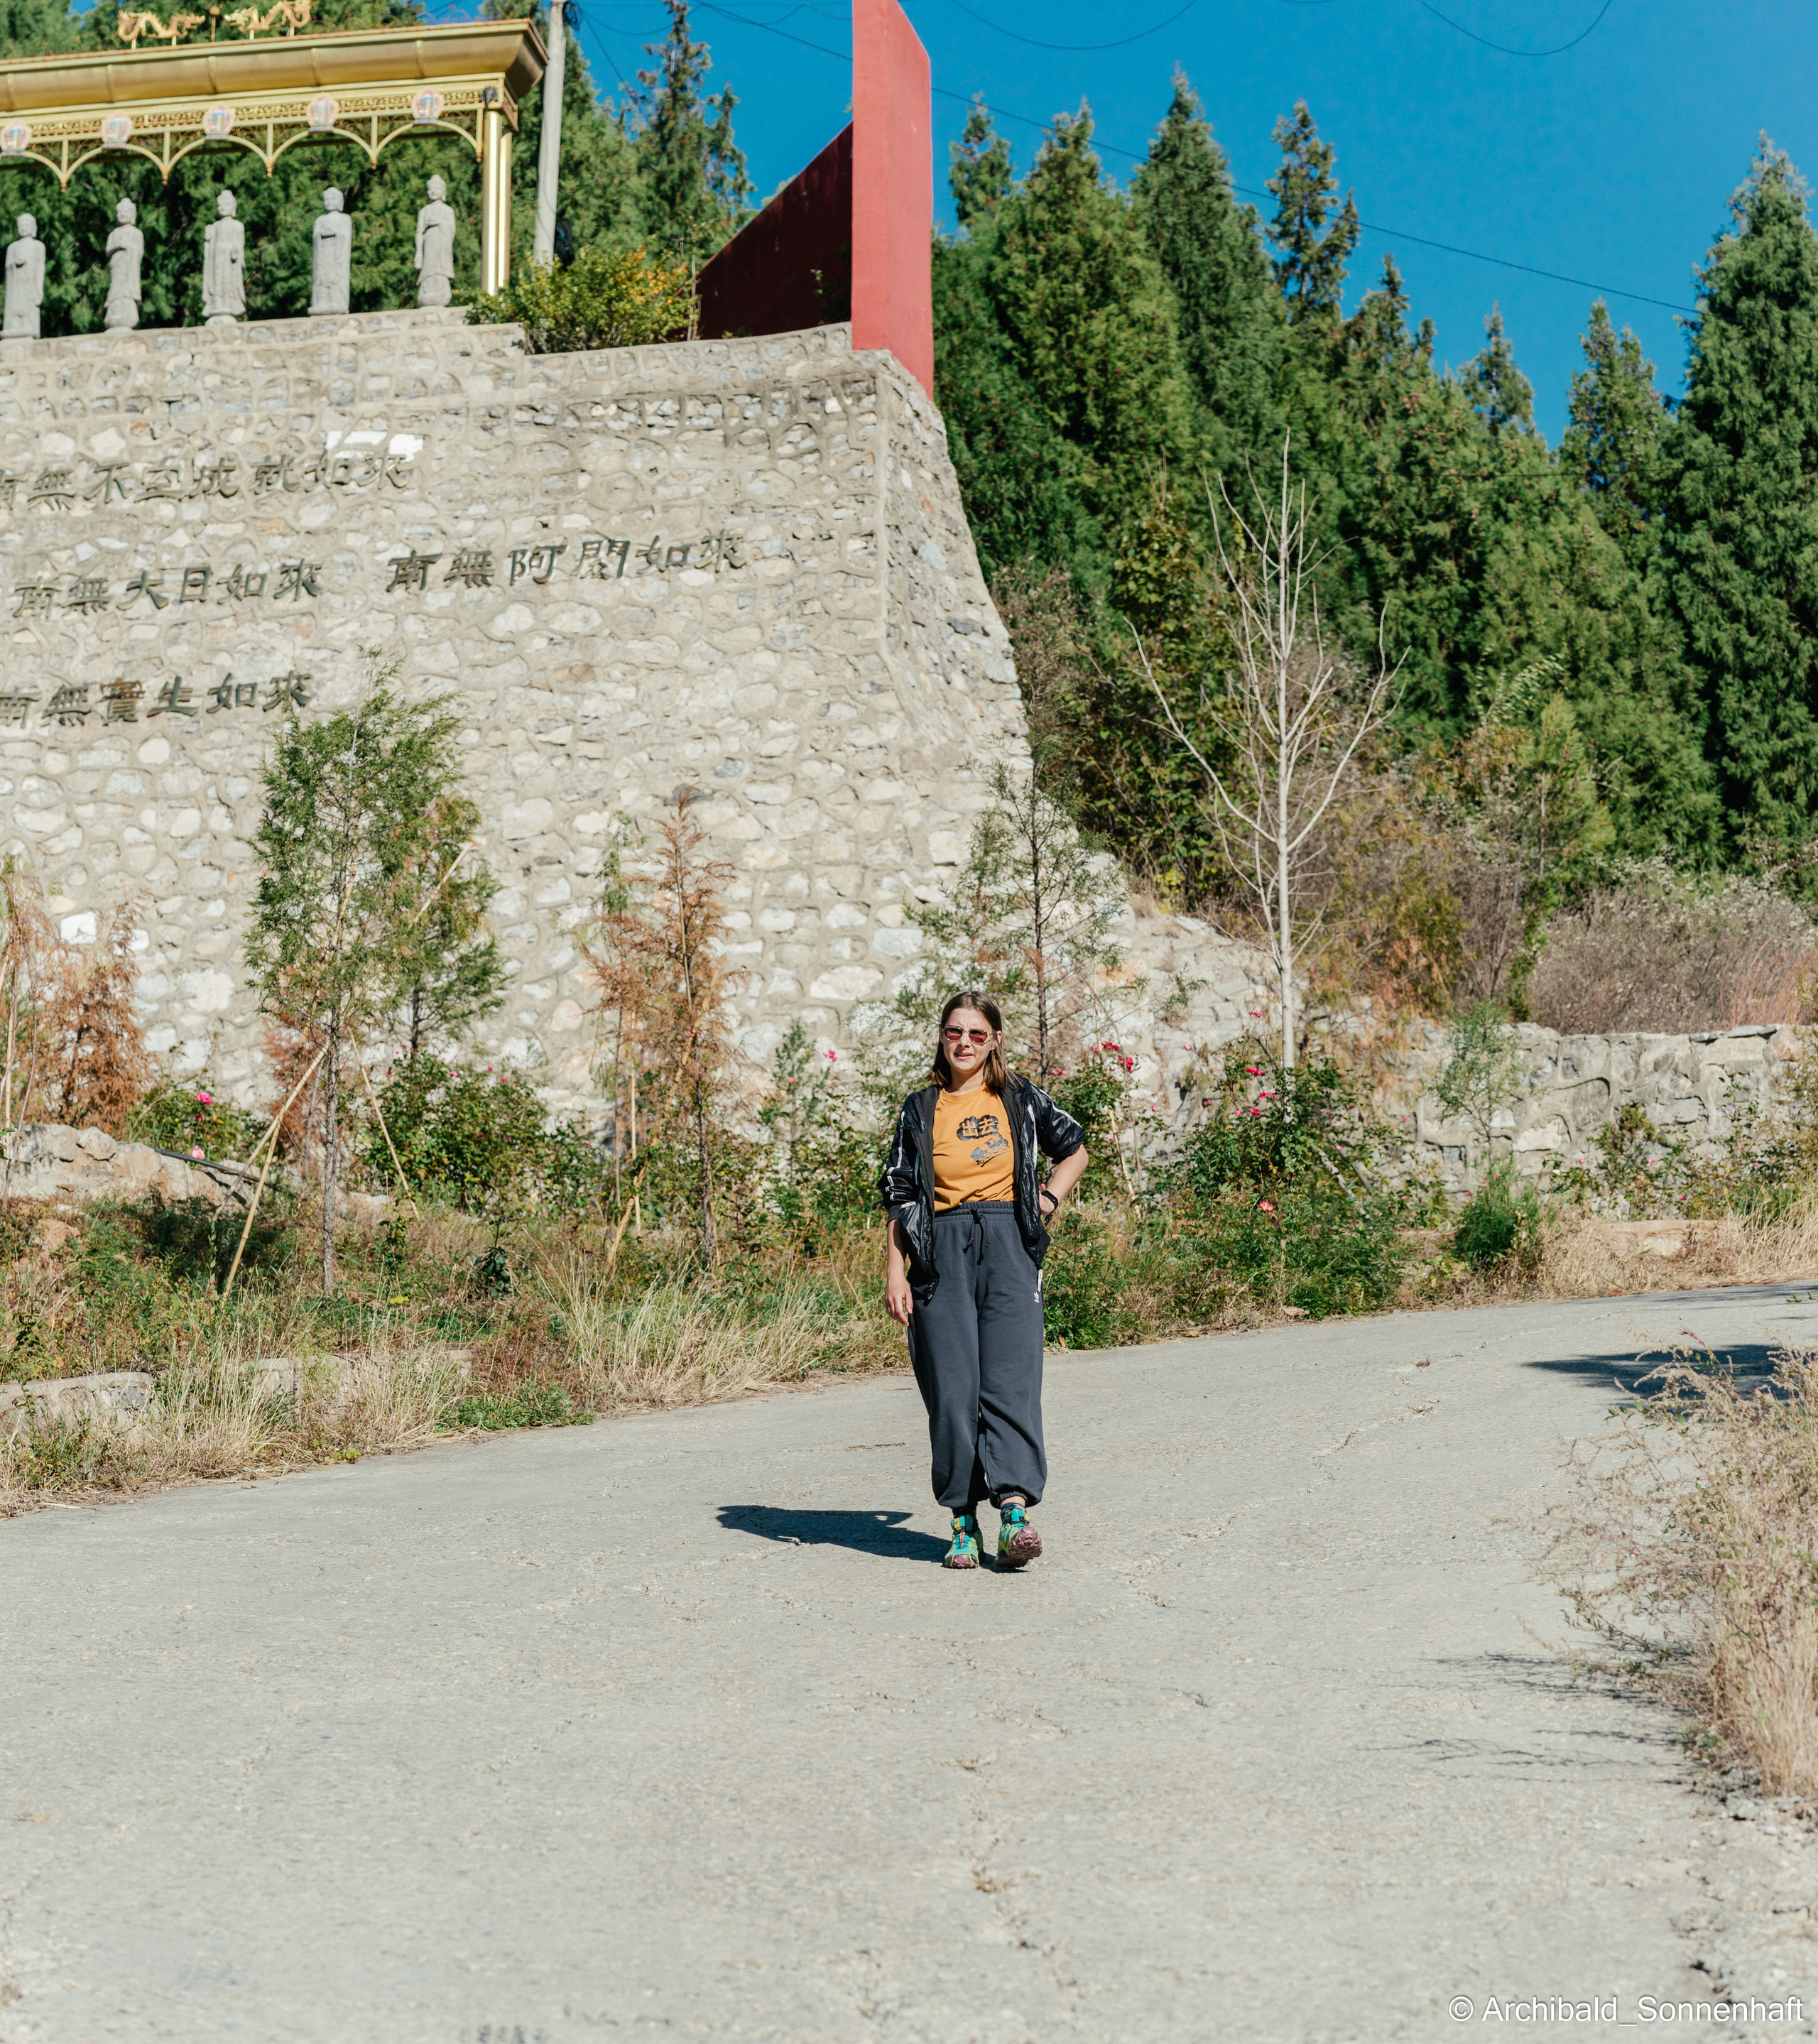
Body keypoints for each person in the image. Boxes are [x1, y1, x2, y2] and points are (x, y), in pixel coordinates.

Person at [879, 991, 1088, 1570]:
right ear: (941, 1038)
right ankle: (963, 1522)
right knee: (951, 1390)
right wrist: (895, 1272)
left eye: (976, 1033)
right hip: (939, 1249)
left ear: (994, 1039)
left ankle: (1015, 1514)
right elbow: (898, 1197)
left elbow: (1075, 1150)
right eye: (954, 1032)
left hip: (1008, 1244)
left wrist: (1048, 1199)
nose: (964, 1043)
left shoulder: (1019, 1098)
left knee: (1012, 1379)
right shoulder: (920, 1108)